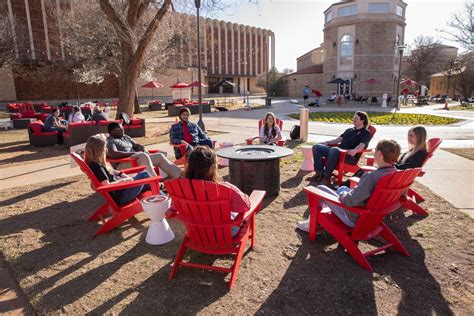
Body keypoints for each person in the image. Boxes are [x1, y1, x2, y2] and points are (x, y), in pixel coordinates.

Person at [297, 139, 401, 232]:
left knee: (320, 189)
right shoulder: (398, 175)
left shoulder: (371, 177)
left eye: (375, 152)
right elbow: (403, 195)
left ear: (379, 154)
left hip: (354, 218)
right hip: (373, 217)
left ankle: (313, 223)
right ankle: (321, 216)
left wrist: (342, 195)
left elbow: (348, 201)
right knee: (342, 187)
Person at [182, 146, 250, 236]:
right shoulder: (225, 188)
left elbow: (175, 206)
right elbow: (245, 207)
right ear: (213, 167)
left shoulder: (182, 187)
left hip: (197, 230)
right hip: (225, 232)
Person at [340, 126, 428, 187]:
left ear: (420, 137)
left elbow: (408, 168)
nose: (409, 138)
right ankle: (345, 186)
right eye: (408, 135)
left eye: (411, 136)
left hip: (394, 177)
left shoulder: (420, 153)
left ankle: (346, 188)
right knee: (363, 171)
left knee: (365, 173)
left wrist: (389, 165)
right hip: (393, 173)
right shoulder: (412, 151)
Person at [85, 135, 154, 205]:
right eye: (104, 147)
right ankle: (160, 193)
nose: (106, 149)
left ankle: (160, 190)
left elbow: (110, 172)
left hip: (121, 191)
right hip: (121, 196)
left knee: (147, 183)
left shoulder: (94, 163)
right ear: (99, 150)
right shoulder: (97, 166)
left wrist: (121, 174)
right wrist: (124, 181)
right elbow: (107, 186)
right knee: (144, 174)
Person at [309, 111, 373, 186]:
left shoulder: (366, 133)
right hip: (336, 152)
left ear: (363, 120)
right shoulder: (350, 130)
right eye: (353, 118)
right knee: (316, 147)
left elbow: (362, 145)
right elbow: (337, 140)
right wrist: (326, 142)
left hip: (348, 156)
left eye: (356, 118)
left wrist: (355, 150)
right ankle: (319, 173)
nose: (353, 120)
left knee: (334, 150)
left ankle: (327, 177)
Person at [106, 122, 182, 179]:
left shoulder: (125, 137)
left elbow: (137, 146)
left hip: (136, 159)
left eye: (122, 128)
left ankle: (180, 176)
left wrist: (143, 149)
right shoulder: (110, 140)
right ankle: (155, 181)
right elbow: (113, 153)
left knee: (159, 156)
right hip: (122, 165)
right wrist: (134, 153)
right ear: (112, 132)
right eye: (119, 129)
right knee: (142, 155)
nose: (122, 130)